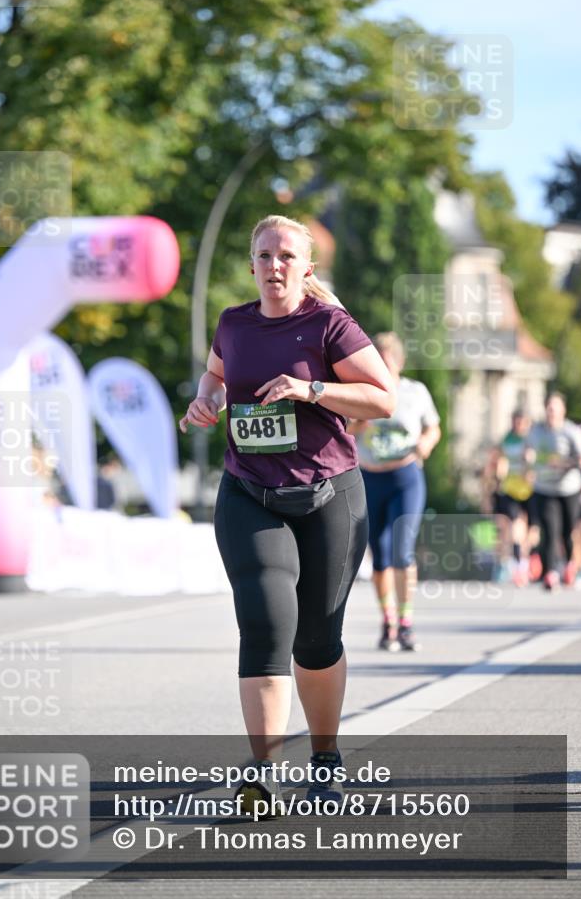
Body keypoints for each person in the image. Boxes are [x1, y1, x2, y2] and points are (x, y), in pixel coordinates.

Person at [179, 215, 395, 816]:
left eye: (286, 256)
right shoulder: (233, 323)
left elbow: (383, 398)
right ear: (252, 264)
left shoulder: (328, 325)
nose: (274, 265)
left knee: (317, 637)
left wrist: (312, 391)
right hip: (250, 491)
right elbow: (218, 377)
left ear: (306, 268)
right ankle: (264, 774)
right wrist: (206, 401)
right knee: (265, 626)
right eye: (264, 255)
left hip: (329, 494)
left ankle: (324, 756)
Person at [348, 332, 441, 652]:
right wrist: (359, 420)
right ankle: (387, 620)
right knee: (380, 555)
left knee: (403, 551)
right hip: (370, 478)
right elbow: (343, 431)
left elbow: (433, 426)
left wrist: (426, 443)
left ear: (398, 362)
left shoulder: (415, 392)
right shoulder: (362, 392)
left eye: (387, 362)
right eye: (377, 361)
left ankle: (405, 622)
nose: (382, 368)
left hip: (405, 477)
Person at [526, 392, 581, 590]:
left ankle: (570, 565)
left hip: (569, 487)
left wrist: (563, 464)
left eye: (555, 408)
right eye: (549, 408)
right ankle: (550, 572)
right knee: (550, 530)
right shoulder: (537, 431)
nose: (551, 412)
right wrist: (529, 460)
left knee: (568, 530)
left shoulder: (571, 432)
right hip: (545, 488)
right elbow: (528, 449)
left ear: (563, 410)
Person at [488, 409, 539, 586]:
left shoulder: (533, 439)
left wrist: (531, 465)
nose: (518, 426)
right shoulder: (507, 440)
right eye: (516, 422)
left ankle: (525, 559)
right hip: (511, 489)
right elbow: (498, 460)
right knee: (514, 525)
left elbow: (537, 461)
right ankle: (518, 564)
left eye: (522, 422)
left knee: (531, 530)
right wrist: (497, 475)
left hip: (531, 490)